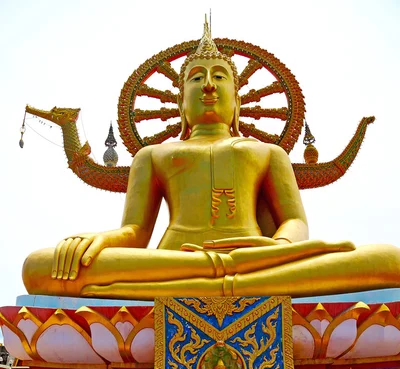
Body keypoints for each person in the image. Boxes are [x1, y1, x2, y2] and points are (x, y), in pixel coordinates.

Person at [22, 20, 400, 300]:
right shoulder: (153, 155)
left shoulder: (269, 153)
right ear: (181, 103)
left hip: (256, 261)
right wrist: (100, 240)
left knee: (389, 260)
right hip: (176, 262)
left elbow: (294, 220)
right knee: (40, 267)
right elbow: (136, 233)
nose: (208, 85)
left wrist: (280, 246)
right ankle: (230, 279)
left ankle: (219, 278)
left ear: (236, 101)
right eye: (196, 78)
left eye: (220, 77)